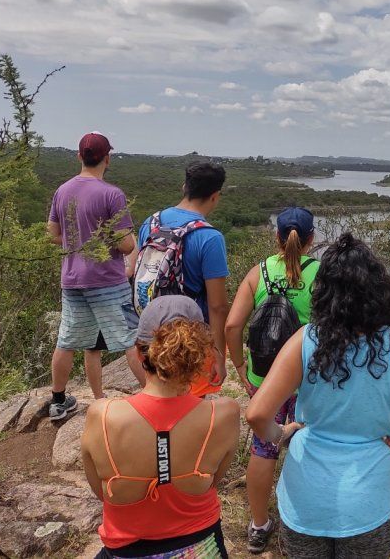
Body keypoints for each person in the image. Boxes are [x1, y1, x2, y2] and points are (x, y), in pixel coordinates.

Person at [246, 233, 390, 559]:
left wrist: (281, 435)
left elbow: (256, 414)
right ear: (378, 288)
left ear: (323, 290)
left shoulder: (306, 339)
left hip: (305, 500)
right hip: (370, 503)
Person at [81, 296, 240, 558]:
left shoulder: (103, 415)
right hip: (202, 547)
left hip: (128, 550)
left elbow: (101, 492)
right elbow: (215, 481)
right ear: (200, 353)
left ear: (139, 351)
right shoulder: (223, 414)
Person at [225, 207, 319, 554]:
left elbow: (233, 326)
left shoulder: (259, 272)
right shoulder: (321, 274)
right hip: (307, 379)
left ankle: (259, 525)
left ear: (277, 238)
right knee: (309, 448)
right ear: (311, 239)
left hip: (264, 377)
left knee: (264, 450)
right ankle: (307, 524)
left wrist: (240, 369)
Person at [47, 131, 145, 421]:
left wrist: (77, 240)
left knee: (66, 341)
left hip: (72, 279)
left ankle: (58, 400)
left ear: (79, 156)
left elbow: (52, 234)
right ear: (107, 158)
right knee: (130, 339)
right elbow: (126, 244)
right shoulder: (111, 194)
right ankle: (155, 398)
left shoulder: (62, 191)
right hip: (107, 281)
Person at [138, 161, 230, 396]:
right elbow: (218, 305)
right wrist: (218, 354)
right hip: (189, 340)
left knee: (157, 397)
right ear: (215, 196)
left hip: (153, 333)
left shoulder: (151, 223)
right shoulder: (209, 238)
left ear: (184, 187)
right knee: (189, 403)